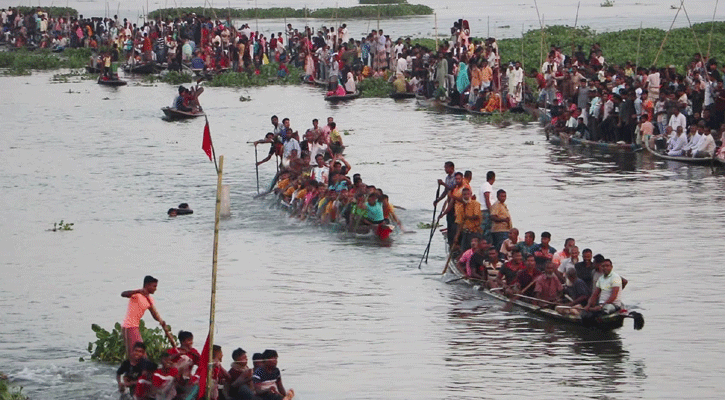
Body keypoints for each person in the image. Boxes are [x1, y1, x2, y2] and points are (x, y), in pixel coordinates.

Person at [121, 276, 168, 359]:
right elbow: (123, 294)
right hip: (129, 327)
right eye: (154, 286)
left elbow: (154, 314)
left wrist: (161, 321)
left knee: (138, 355)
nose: (155, 289)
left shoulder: (150, 299)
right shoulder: (137, 295)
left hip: (135, 326)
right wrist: (138, 291)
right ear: (147, 285)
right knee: (137, 355)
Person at [453, 187, 481, 253]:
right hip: (465, 233)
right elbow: (459, 223)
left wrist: (467, 217)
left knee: (475, 251)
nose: (466, 196)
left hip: (474, 232)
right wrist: (456, 236)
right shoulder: (460, 207)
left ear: (470, 195)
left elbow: (477, 216)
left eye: (467, 194)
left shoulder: (475, 204)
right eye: (464, 195)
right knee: (464, 251)